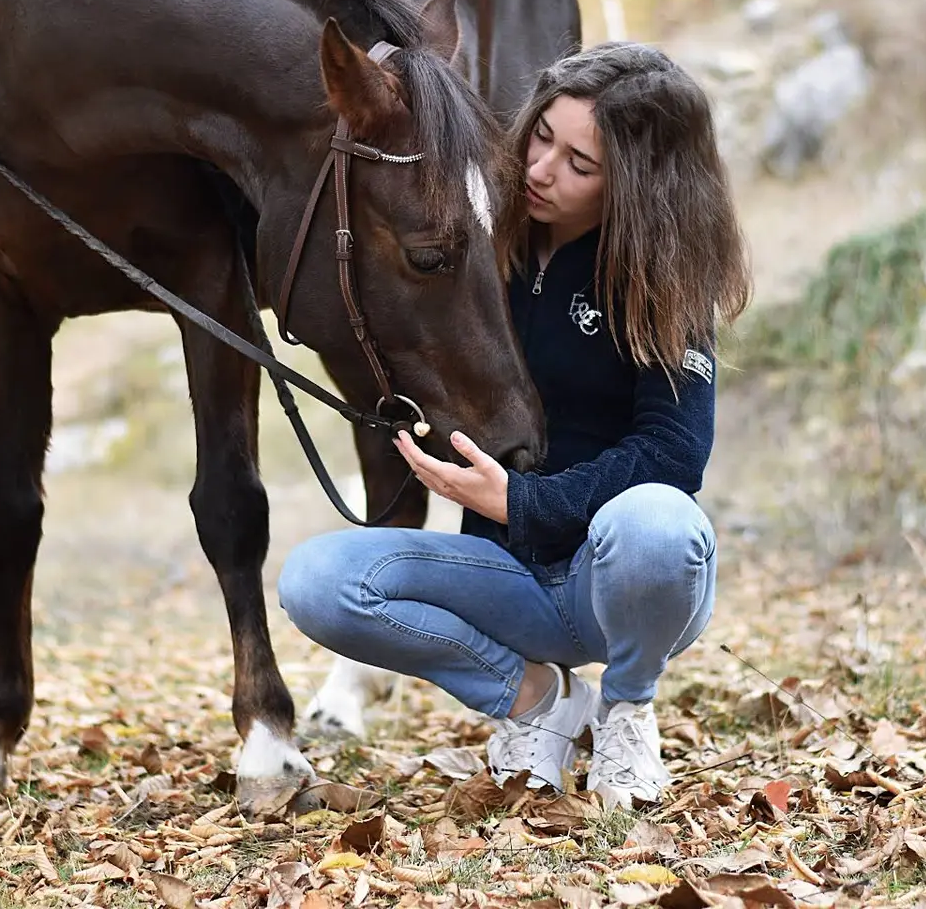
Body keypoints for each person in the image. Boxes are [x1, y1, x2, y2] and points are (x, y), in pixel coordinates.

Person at [278, 42, 752, 807]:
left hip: (619, 583)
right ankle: (538, 701)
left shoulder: (665, 272)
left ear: (637, 183)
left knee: (659, 521)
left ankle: (628, 711)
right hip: (506, 583)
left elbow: (674, 453)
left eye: (580, 165)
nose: (539, 170)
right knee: (317, 582)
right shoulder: (481, 244)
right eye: (541, 136)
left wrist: (523, 503)